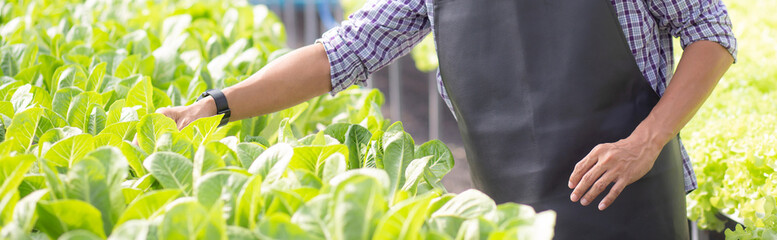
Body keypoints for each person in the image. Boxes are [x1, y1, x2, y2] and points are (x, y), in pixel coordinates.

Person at [159, 0, 736, 238]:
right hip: (512, 216)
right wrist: (217, 104)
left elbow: (713, 33)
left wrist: (646, 142)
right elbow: (341, 53)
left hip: (631, 208)